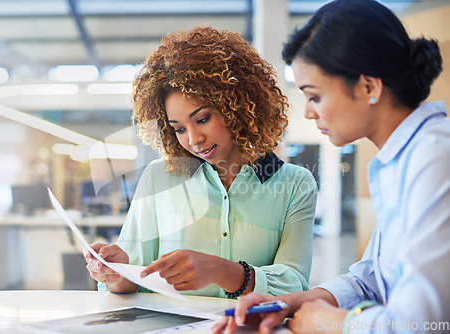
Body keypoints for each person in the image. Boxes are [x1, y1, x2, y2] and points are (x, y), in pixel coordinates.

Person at [213, 0, 449, 333]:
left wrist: (330, 323)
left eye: (315, 96)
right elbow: (370, 279)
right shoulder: (400, 159)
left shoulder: (435, 157)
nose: (309, 112)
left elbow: (420, 324)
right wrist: (297, 302)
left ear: (369, 86)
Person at [83, 26, 317, 298]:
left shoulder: (294, 184)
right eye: (179, 129)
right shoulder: (160, 177)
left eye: (203, 119)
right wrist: (116, 272)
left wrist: (223, 271)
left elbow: (295, 284)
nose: (194, 139)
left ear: (237, 105)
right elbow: (131, 279)